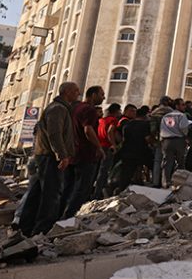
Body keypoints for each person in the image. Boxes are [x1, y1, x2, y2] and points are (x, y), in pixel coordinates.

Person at [18, 82, 80, 236]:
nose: (78, 94)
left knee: (37, 193)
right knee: (51, 195)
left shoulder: (59, 108)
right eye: (76, 91)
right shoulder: (58, 109)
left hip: (45, 156)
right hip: (50, 157)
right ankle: (43, 229)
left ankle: (26, 228)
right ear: (67, 92)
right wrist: (62, 155)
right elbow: (54, 133)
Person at [61, 85, 105, 218]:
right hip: (85, 154)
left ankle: (59, 214)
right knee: (82, 189)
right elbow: (88, 130)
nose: (104, 97)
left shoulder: (75, 108)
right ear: (93, 95)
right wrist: (99, 147)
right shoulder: (89, 110)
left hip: (72, 153)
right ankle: (68, 217)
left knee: (68, 188)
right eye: (101, 94)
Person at [113, 106, 153, 191]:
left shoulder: (127, 124)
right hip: (140, 151)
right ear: (145, 116)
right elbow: (148, 139)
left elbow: (117, 133)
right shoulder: (145, 124)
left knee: (126, 173)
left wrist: (119, 143)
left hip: (126, 151)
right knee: (152, 165)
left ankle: (121, 190)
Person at [160, 98, 192, 186]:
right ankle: (179, 182)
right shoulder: (181, 116)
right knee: (180, 162)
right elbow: (183, 128)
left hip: (166, 141)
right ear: (177, 106)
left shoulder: (166, 116)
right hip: (179, 140)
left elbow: (162, 129)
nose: (184, 106)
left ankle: (165, 182)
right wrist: (187, 135)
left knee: (167, 162)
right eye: (182, 104)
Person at [94, 103, 121, 199]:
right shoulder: (113, 120)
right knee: (104, 171)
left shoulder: (101, 120)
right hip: (107, 147)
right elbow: (110, 131)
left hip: (98, 147)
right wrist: (114, 144)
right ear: (117, 111)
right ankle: (97, 194)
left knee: (97, 170)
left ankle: (94, 191)